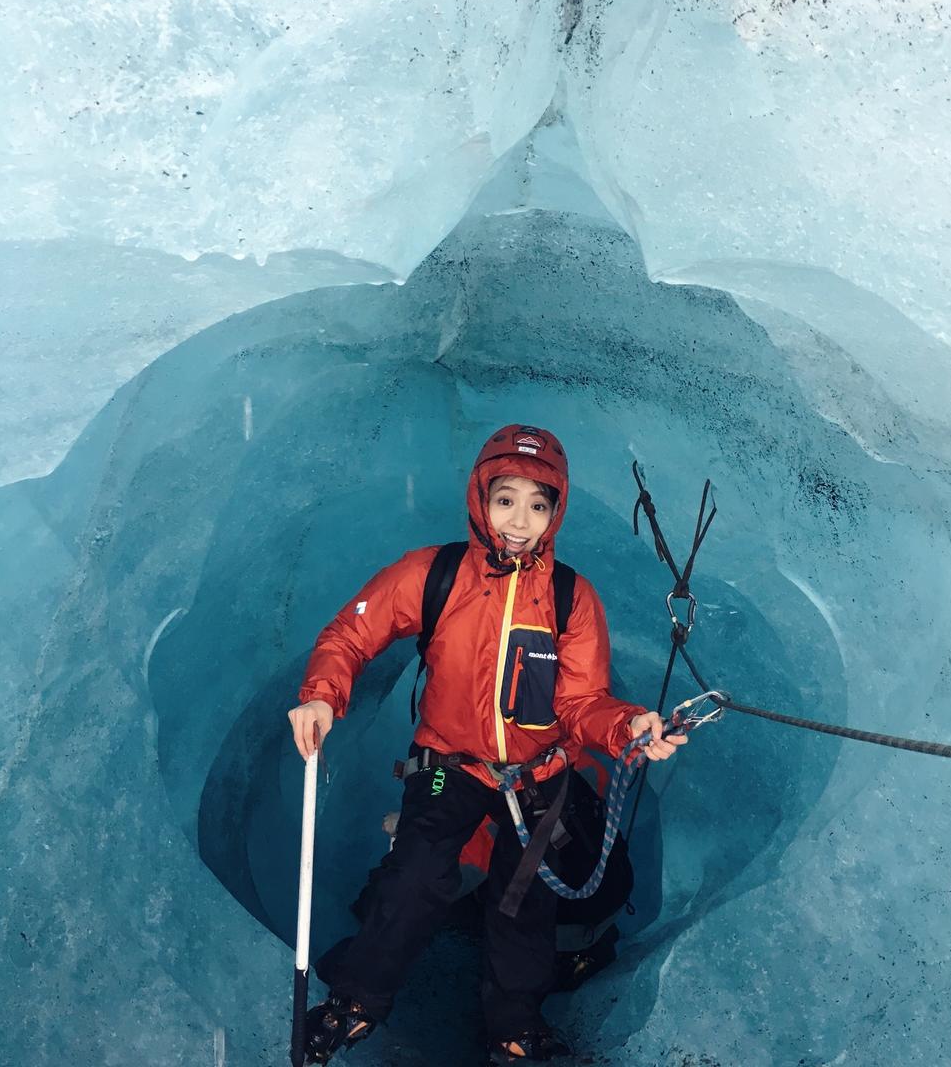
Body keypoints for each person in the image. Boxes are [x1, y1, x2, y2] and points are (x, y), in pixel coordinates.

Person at [288, 424, 687, 1065]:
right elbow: (350, 635)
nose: (520, 520)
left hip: (540, 770)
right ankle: (354, 1002)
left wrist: (629, 726)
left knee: (523, 896)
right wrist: (321, 694)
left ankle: (514, 1025)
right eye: (506, 499)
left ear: (556, 511)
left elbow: (583, 704)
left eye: (538, 503)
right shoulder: (434, 574)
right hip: (451, 763)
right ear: (480, 498)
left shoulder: (570, 598)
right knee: (416, 874)